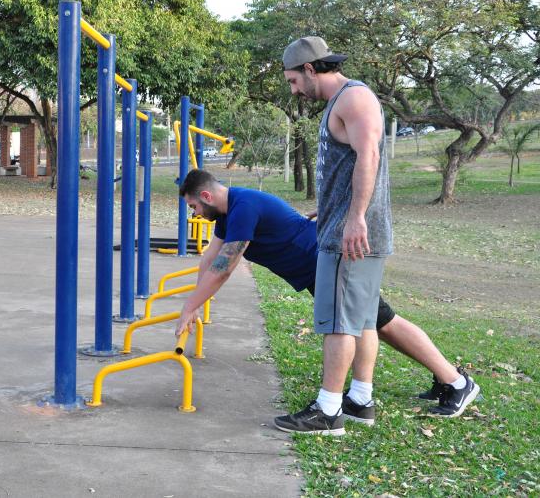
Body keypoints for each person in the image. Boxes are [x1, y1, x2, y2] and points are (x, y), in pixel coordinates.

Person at [174, 174, 480, 434]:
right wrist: (197, 299)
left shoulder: (243, 207)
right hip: (317, 267)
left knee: (380, 322)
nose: (195, 213)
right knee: (377, 323)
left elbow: (226, 267)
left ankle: (454, 382)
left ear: (206, 195)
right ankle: (431, 383)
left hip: (327, 262)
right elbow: (211, 258)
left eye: (194, 206)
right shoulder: (228, 215)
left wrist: (190, 306)